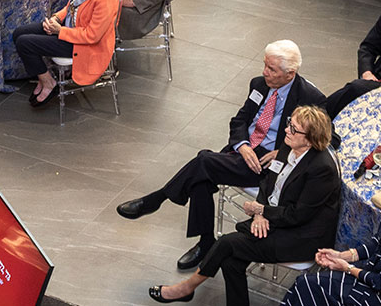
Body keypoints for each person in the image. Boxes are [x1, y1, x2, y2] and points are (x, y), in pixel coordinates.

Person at [118, 41, 328, 270]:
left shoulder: (310, 97)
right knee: (202, 174)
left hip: (268, 164)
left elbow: (326, 138)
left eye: (272, 69)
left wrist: (284, 150)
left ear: (290, 74)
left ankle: (158, 201)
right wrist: (242, 145)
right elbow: (239, 120)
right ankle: (205, 242)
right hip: (244, 150)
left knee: (204, 161)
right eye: (265, 65)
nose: (264, 72)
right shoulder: (259, 84)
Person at [147, 104, 342, 306]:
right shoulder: (289, 146)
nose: (286, 130)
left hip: (301, 236)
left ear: (310, 140)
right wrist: (259, 215)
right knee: (231, 261)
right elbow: (268, 183)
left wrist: (261, 210)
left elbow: (298, 215)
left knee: (227, 244)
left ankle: (186, 288)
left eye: (293, 128)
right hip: (275, 218)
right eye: (288, 124)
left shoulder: (322, 169)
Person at [282, 158, 381, 306]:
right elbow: (377, 243)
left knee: (309, 287)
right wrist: (341, 256)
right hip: (373, 275)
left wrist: (347, 268)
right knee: (307, 285)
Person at [12, 0, 120, 108]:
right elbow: (72, 4)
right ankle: (43, 76)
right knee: (18, 33)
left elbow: (92, 36)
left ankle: (48, 82)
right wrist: (56, 18)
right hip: (69, 29)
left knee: (24, 43)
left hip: (83, 45)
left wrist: (59, 31)